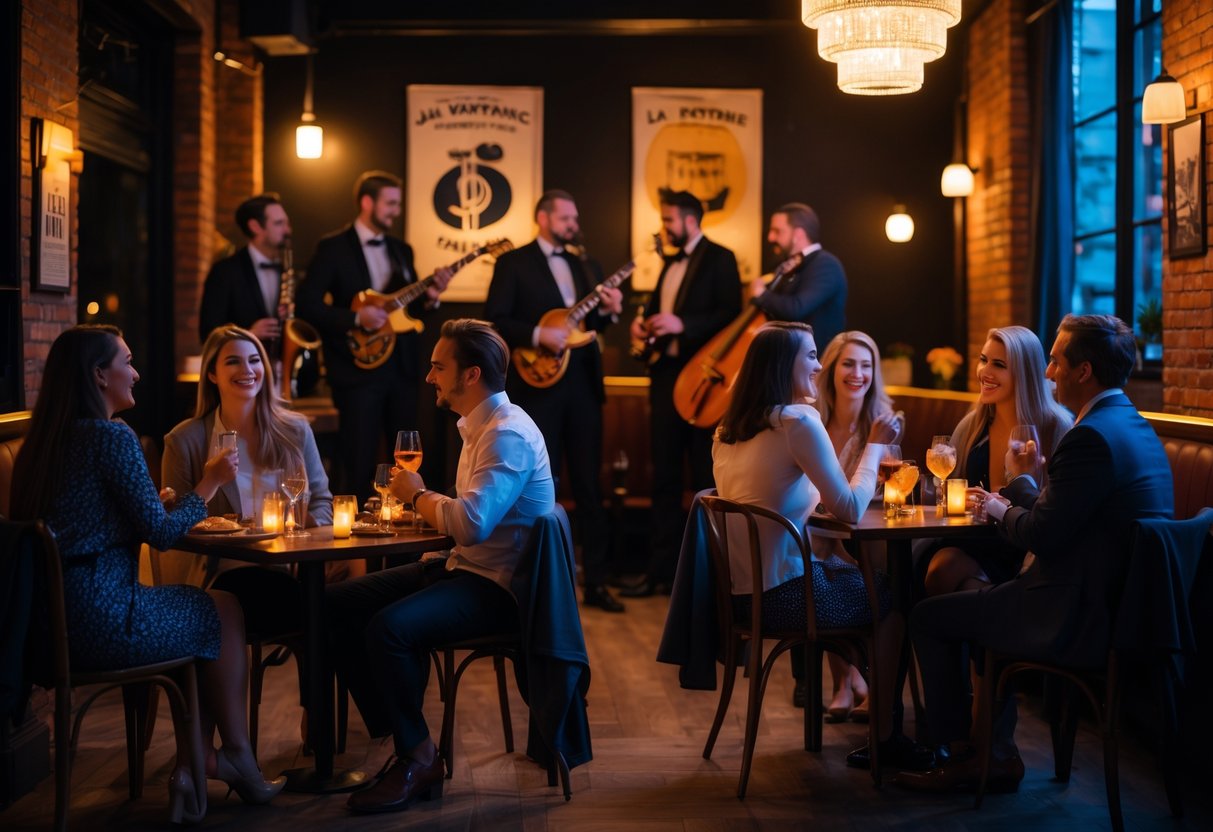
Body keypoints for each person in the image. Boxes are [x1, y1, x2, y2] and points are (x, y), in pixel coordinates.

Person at [8, 326, 283, 824]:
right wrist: (211, 480)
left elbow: (88, 520)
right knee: (220, 607)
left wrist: (149, 507)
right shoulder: (110, 436)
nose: (135, 373)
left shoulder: (42, 444)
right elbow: (159, 535)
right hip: (104, 619)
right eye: (127, 362)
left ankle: (200, 764)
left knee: (209, 607)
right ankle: (228, 758)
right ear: (99, 375)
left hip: (48, 630)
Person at [898, 314, 1174, 793]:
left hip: (1071, 610)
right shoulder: (1132, 425)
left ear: (1082, 371)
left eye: (1055, 361)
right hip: (1121, 609)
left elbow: (1042, 536)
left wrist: (1010, 497)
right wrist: (1023, 487)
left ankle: (963, 755)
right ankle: (990, 750)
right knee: (965, 592)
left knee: (928, 617)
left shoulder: (1088, 436)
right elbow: (1064, 518)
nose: (1048, 373)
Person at [327, 319, 555, 814]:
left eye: (437, 366)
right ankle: (395, 730)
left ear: (470, 375)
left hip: (501, 590)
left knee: (388, 630)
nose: (429, 376)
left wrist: (418, 494)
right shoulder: (481, 428)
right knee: (336, 605)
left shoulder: (507, 435)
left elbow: (471, 523)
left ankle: (419, 756)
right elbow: (470, 522)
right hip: (464, 568)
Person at [711, 321, 926, 768]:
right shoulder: (798, 420)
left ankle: (855, 690)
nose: (819, 364)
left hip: (742, 597)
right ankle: (885, 734)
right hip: (790, 597)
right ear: (781, 365)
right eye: (810, 355)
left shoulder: (727, 430)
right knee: (895, 600)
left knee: (854, 576)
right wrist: (873, 447)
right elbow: (848, 508)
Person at [485, 189, 625, 613]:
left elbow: (590, 324)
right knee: (536, 485)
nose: (573, 224)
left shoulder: (588, 265)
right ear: (543, 218)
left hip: (582, 386)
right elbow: (496, 318)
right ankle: (528, 580)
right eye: (566, 217)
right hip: (536, 387)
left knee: (588, 484)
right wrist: (536, 335)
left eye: (574, 217)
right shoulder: (513, 263)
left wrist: (612, 311)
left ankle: (596, 582)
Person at [163, 324, 334, 628]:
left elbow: (322, 502)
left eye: (254, 360)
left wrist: (301, 526)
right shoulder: (184, 440)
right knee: (317, 611)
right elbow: (172, 528)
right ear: (212, 374)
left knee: (345, 594)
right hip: (220, 576)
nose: (248, 369)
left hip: (288, 568)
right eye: (233, 361)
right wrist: (210, 481)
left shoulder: (295, 430)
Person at [296, 170, 451, 502]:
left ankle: (404, 535)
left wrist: (433, 296)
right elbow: (306, 305)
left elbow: (411, 314)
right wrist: (355, 317)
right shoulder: (333, 247)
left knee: (407, 459)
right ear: (367, 202)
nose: (396, 210)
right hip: (356, 373)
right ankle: (354, 542)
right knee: (358, 459)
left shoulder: (401, 250)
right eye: (390, 203)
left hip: (403, 370)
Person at [622, 189, 741, 597]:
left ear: (691, 220)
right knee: (664, 476)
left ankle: (710, 578)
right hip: (665, 376)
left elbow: (731, 316)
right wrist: (645, 325)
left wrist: (682, 324)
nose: (664, 228)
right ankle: (660, 572)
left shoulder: (721, 258)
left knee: (707, 477)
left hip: (705, 382)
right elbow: (661, 312)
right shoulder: (667, 263)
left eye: (669, 220)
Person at [919, 326, 1072, 598]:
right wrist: (959, 497)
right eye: (983, 360)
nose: (984, 372)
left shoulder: (1056, 426)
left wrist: (999, 504)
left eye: (998, 364)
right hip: (973, 541)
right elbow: (945, 492)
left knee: (950, 577)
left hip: (1025, 549)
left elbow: (1059, 509)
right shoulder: (972, 425)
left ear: (1023, 374)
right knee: (938, 567)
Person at [808, 331, 903, 718]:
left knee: (842, 557)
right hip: (815, 526)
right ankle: (844, 683)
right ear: (830, 370)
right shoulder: (810, 419)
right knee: (820, 550)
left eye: (867, 365)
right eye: (848, 363)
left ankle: (857, 682)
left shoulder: (884, 423)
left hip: (863, 530)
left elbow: (895, 489)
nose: (858, 373)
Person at [198, 193, 292, 346]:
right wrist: (249, 334)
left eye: (287, 223)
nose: (288, 230)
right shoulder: (225, 271)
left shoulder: (287, 270)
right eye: (279, 223)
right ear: (255, 227)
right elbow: (207, 333)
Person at [750, 203, 847, 350]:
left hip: (814, 363)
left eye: (777, 231)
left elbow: (797, 308)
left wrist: (762, 294)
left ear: (798, 234)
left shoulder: (826, 264)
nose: (770, 237)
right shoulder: (785, 263)